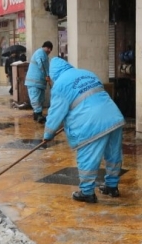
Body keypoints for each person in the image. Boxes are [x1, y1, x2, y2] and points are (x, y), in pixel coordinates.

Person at [43, 57, 125, 203]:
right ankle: (112, 186)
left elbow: (56, 112)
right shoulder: (87, 73)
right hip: (113, 116)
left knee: (88, 157)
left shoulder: (60, 85)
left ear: (53, 73)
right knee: (113, 155)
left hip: (91, 123)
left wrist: (48, 134)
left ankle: (87, 192)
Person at [25, 41, 53, 123]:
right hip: (34, 82)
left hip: (39, 82)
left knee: (40, 99)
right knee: (36, 99)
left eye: (50, 49)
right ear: (45, 47)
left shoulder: (43, 54)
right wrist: (47, 76)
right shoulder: (40, 53)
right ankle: (38, 115)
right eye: (49, 48)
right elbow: (43, 66)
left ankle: (37, 115)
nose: (49, 51)